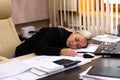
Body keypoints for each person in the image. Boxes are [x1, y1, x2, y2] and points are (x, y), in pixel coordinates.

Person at [15, 27, 92, 57]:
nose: (74, 44)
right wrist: (61, 51)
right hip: (21, 56)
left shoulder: (68, 41)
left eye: (78, 46)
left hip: (34, 58)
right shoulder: (56, 32)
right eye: (76, 39)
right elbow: (38, 48)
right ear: (74, 32)